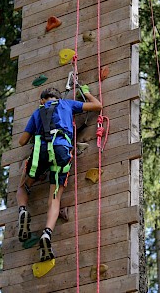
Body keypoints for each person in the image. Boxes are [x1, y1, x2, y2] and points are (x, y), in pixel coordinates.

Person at [16, 85, 102, 262]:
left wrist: (37, 128)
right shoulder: (67, 104)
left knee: (24, 186)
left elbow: (22, 141)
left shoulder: (37, 112)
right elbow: (97, 105)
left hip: (41, 151)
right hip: (62, 149)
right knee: (54, 197)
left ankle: (23, 210)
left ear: (42, 100)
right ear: (58, 98)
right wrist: (84, 91)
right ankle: (47, 233)